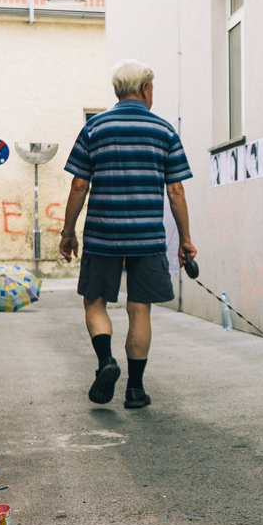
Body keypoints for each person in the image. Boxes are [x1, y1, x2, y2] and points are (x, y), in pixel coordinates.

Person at [59, 60, 196, 409]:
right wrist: (185, 240)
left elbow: (79, 184)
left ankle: (106, 361)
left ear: (118, 90)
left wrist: (68, 231)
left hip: (102, 234)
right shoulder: (164, 130)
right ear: (146, 89)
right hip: (147, 236)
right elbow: (176, 190)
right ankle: (135, 390)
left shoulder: (95, 127)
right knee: (139, 308)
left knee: (95, 301)